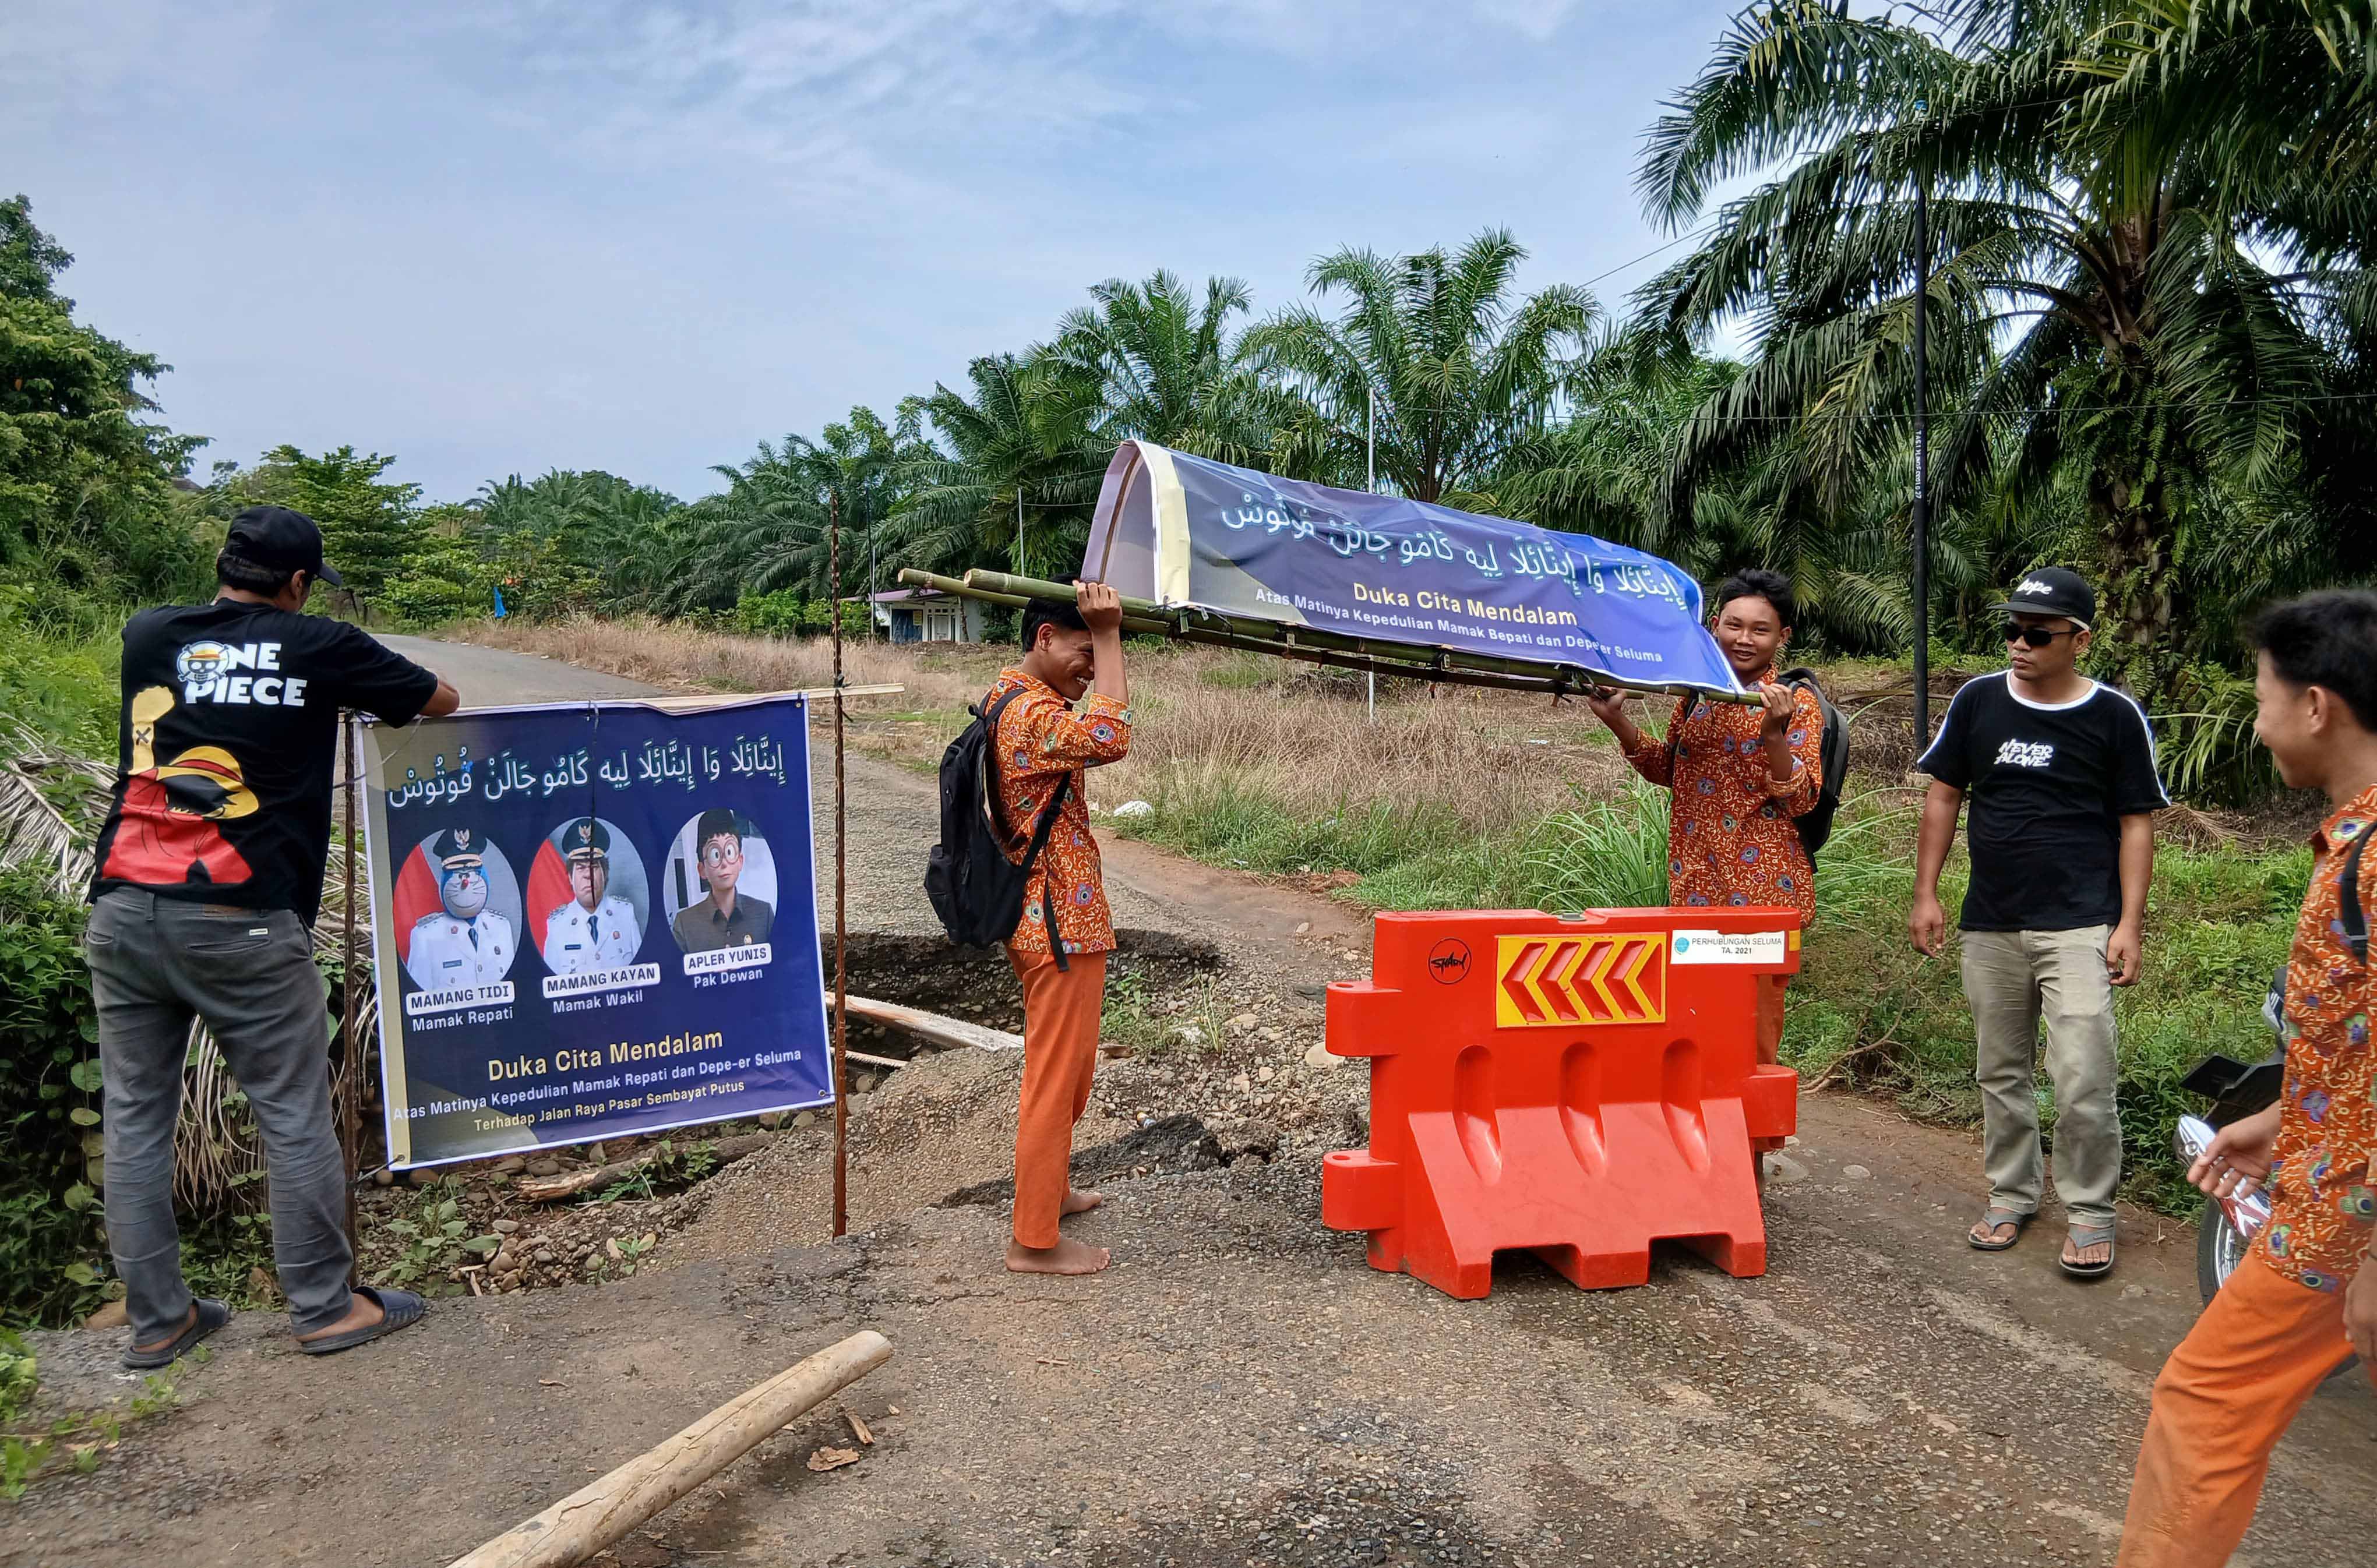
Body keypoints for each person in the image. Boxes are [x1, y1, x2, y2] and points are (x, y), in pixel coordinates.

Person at [84, 505, 459, 1367]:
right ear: (297, 584)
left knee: (135, 1118)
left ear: (223, 567)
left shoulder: (149, 633)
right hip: (242, 919)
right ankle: (327, 1308)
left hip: (123, 908)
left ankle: (159, 1322)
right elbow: (440, 699)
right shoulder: (320, 645)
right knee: (291, 1113)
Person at [2117, 591, 2377, 1566]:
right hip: (2331, 1176)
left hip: (2348, 1213)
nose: (2256, 716)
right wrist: (2281, 1114)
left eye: (2261, 692)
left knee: (2205, 1402)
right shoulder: (2355, 840)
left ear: (2316, 704)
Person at [1909, 567, 2166, 1277]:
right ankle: (2012, 1192)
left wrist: (2130, 924)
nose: (2019, 643)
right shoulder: (1978, 701)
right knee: (2001, 1070)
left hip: (2080, 922)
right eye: (2012, 629)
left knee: (2084, 1072)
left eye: (2038, 632)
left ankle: (2090, 1210)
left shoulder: (2114, 716)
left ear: (2079, 639)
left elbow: (2136, 824)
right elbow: (1943, 797)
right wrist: (1926, 892)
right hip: (1991, 920)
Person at [1586, 566, 1824, 1161]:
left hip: (1763, 905)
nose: (1744, 639)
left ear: (1783, 637)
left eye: (1761, 630)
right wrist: (1617, 720)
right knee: (1691, 1026)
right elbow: (1672, 769)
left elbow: (1799, 794)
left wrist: (1774, 732)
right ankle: (1695, 1153)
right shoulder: (1695, 693)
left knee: (1753, 1036)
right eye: (1734, 624)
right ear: (1714, 625)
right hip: (1694, 894)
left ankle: (1747, 1161)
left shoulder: (1797, 704)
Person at [984, 583, 1131, 1276]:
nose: (1093, 669)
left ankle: (1053, 1191)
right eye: (1082, 651)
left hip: (1058, 916)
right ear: (1045, 638)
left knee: (1070, 1076)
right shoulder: (1030, 715)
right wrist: (1109, 631)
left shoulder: (1015, 699)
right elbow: (1112, 735)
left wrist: (1098, 638)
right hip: (1057, 924)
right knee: (1053, 1081)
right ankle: (1033, 1240)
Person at [405, 827, 514, 988]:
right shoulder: (425, 937)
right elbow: (420, 997)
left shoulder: (501, 927)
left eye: (472, 871)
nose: (466, 882)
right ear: (445, 880)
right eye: (457, 873)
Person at [542, 818, 641, 973]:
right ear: (570, 878)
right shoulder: (557, 925)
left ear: (605, 873)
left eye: (593, 867)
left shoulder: (625, 913)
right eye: (581, 869)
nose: (588, 876)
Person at [672, 807, 773, 952]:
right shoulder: (684, 925)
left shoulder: (765, 914)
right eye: (715, 855)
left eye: (730, 852)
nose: (724, 863)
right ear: (702, 870)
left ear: (740, 861)